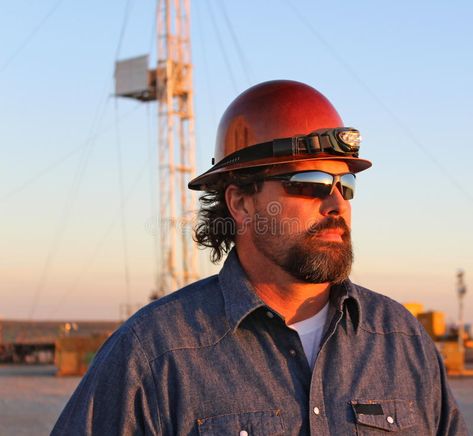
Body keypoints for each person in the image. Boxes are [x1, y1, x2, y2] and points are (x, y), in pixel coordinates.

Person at [52, 80, 467, 435]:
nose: (336, 203)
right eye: (311, 182)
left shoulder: (403, 343)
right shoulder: (153, 355)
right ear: (241, 203)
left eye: (346, 183)